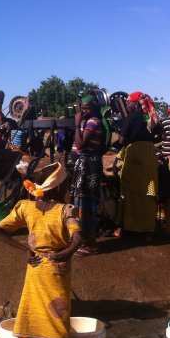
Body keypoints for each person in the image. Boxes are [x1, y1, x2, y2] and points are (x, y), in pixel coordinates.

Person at [0, 162, 83, 338]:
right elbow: (78, 238)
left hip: (34, 273)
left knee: (32, 328)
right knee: (57, 329)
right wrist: (66, 252)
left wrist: (24, 249)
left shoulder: (26, 207)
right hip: (56, 275)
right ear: (60, 187)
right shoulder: (66, 210)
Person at [116, 91, 159, 235]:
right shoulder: (152, 117)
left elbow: (122, 140)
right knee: (148, 190)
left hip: (135, 153)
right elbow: (159, 134)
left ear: (135, 104)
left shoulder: (132, 117)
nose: (127, 105)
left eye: (129, 102)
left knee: (130, 189)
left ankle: (130, 228)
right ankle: (148, 230)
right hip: (149, 154)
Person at [70, 95, 104, 256]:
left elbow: (81, 144)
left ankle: (91, 244)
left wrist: (77, 123)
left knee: (87, 203)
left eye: (87, 108)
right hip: (85, 165)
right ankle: (83, 240)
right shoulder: (88, 121)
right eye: (82, 107)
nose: (84, 110)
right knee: (81, 202)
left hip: (89, 166)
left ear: (95, 108)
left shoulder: (93, 121)